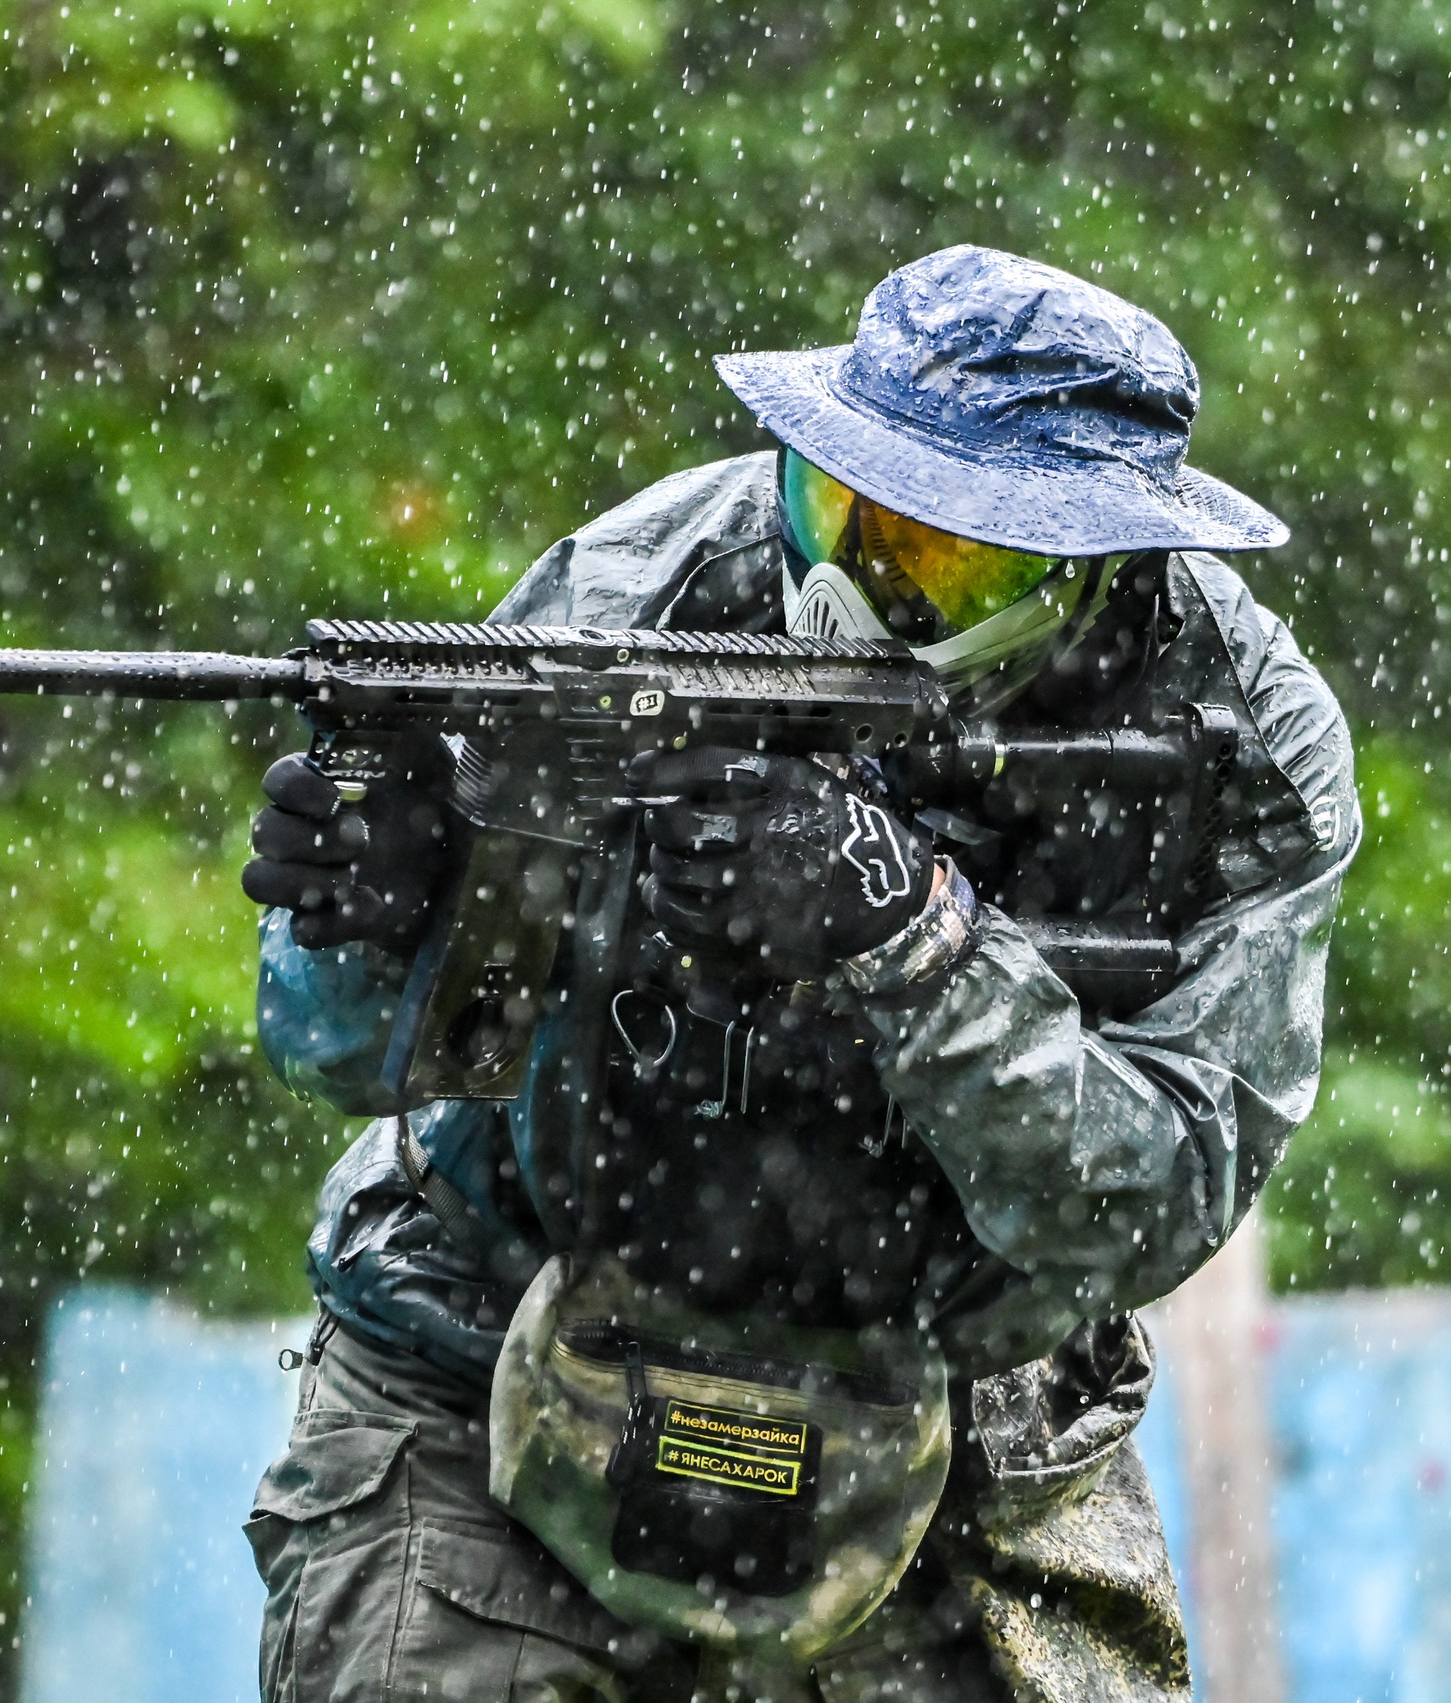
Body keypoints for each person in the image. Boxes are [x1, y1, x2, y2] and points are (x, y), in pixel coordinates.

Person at [239, 245, 1357, 1702]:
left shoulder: (1237, 746)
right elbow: (360, 1063)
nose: (855, 581)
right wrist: (371, 917)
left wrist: (903, 933)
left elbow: (1141, 1207)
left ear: (1097, 569)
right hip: (494, 1354)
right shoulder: (638, 599)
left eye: (941, 552)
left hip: (968, 1424)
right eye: (839, 507)